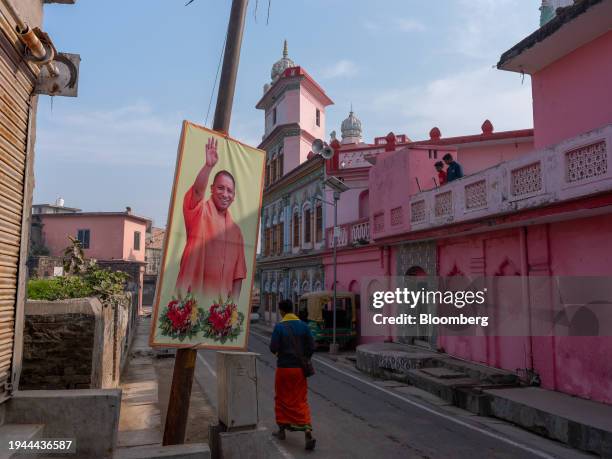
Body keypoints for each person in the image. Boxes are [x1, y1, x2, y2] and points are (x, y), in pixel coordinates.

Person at [176, 137, 246, 301]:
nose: (225, 194)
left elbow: (238, 276)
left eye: (229, 191)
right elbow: (198, 192)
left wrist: (232, 311)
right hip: (188, 303)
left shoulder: (236, 232)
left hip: (218, 313)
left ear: (234, 197)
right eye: (221, 188)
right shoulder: (199, 211)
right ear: (212, 189)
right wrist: (208, 166)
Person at [270, 299, 316, 450]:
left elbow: (273, 347)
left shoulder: (279, 327)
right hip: (299, 370)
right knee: (300, 399)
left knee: (282, 398)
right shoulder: (304, 326)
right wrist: (304, 358)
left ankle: (282, 430)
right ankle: (307, 430)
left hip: (283, 369)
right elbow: (311, 347)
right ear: (293, 309)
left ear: (282, 311)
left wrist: (281, 353)